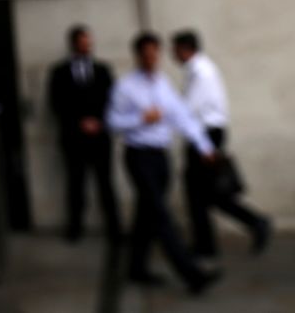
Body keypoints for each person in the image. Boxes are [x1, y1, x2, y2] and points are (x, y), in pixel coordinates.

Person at [106, 31, 221, 294]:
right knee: (160, 215)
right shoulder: (125, 87)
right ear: (137, 56)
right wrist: (140, 119)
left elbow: (182, 115)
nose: (151, 58)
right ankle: (193, 275)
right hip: (139, 156)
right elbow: (111, 122)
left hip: (160, 157)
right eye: (146, 54)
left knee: (145, 215)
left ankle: (136, 268)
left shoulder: (162, 83)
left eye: (155, 53)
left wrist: (203, 145)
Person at [171, 30, 272, 259]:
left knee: (206, 193)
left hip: (205, 135)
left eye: (175, 49)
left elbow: (188, 109)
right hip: (205, 134)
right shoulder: (197, 70)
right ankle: (208, 243)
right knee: (201, 194)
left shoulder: (200, 72)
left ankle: (254, 222)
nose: (172, 54)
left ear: (185, 48)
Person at [48, 24, 119, 241]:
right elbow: (56, 103)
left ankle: (114, 229)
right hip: (74, 137)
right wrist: (79, 122)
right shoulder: (59, 72)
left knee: (105, 183)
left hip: (100, 136)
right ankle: (75, 228)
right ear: (74, 44)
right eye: (82, 41)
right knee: (75, 183)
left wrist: (99, 122)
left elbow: (113, 100)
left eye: (88, 41)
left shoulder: (103, 70)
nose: (86, 45)